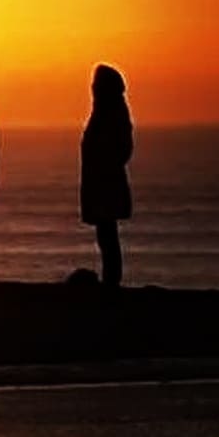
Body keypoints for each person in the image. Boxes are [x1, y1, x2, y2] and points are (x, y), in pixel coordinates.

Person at [80, 64, 134, 288]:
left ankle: (112, 279)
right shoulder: (105, 110)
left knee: (108, 233)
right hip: (100, 181)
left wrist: (106, 165)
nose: (92, 88)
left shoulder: (112, 111)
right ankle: (110, 278)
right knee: (106, 233)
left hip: (106, 183)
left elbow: (123, 147)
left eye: (96, 84)